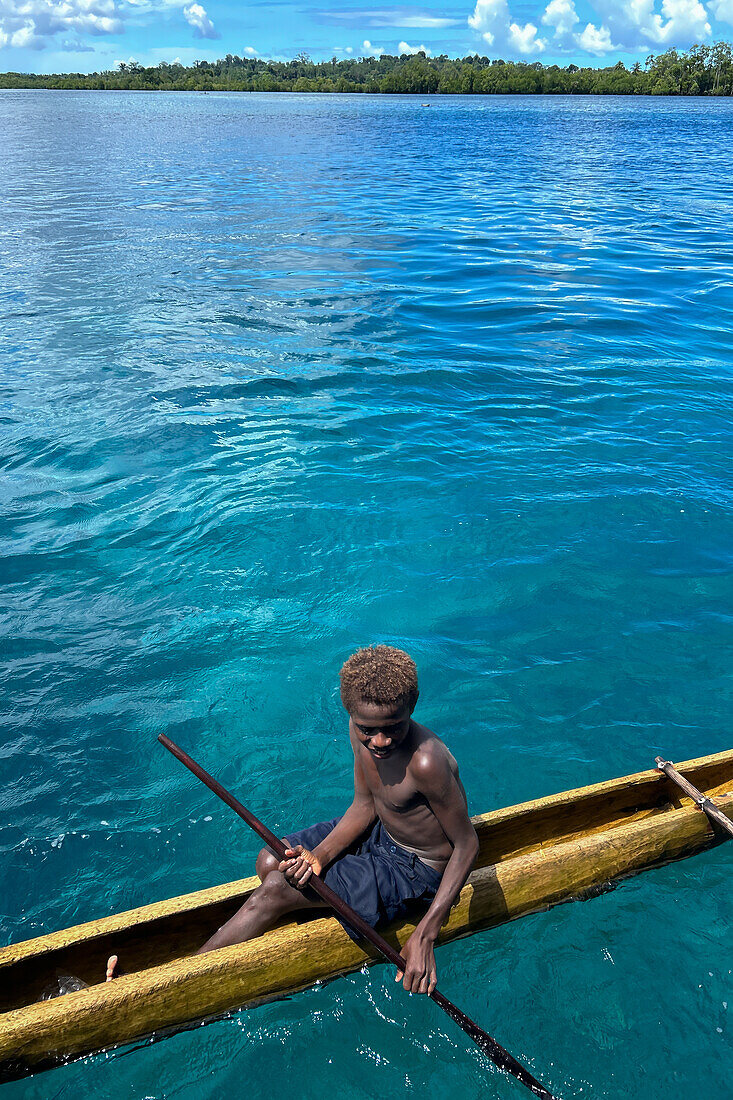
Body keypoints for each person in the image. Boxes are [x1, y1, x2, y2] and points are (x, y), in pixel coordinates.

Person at [107, 645, 478, 995]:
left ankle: (173, 985)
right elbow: (364, 807)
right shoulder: (359, 731)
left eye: (393, 727)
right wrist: (319, 856)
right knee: (271, 860)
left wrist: (427, 933)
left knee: (276, 888)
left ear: (411, 709)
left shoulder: (426, 763)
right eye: (369, 730)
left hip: (416, 870)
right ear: (351, 716)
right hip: (380, 833)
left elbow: (467, 844)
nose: (380, 741)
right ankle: (294, 911)